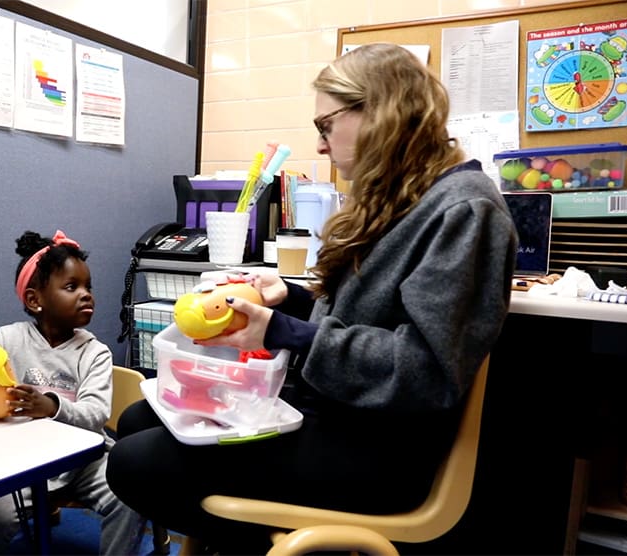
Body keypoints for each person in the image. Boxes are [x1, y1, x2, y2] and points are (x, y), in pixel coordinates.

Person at [106, 42, 519, 553]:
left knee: (135, 464)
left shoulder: (465, 210)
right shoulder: (403, 200)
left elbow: (423, 371)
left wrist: (286, 332)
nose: (320, 145)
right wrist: (290, 303)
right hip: (334, 414)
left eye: (326, 125)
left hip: (382, 450)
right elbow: (366, 319)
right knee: (135, 421)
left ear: (379, 113)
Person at [0, 229, 146, 556]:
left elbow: (96, 413)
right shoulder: (9, 339)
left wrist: (50, 406)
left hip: (84, 463)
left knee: (130, 495)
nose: (86, 295)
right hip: (21, 464)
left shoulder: (94, 352)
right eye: (72, 287)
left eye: (89, 287)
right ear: (35, 300)